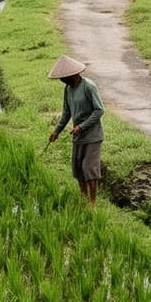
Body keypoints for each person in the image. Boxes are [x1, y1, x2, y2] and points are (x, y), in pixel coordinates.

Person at [45, 55, 105, 208]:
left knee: (89, 168)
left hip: (92, 136)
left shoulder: (88, 87)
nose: (62, 80)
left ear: (73, 74)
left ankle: (92, 204)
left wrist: (81, 126)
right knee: (78, 168)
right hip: (78, 136)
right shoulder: (68, 89)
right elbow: (66, 112)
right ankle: (83, 199)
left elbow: (99, 110)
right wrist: (56, 131)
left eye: (64, 78)